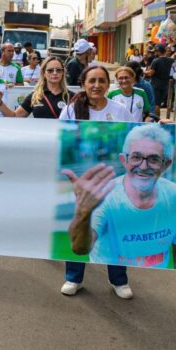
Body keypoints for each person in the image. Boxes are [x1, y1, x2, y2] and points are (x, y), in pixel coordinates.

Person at [64, 124, 176, 269]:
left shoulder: (175, 196)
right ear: (124, 160)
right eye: (136, 157)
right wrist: (83, 213)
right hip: (107, 281)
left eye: (154, 159)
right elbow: (80, 249)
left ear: (166, 164)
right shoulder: (105, 196)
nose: (144, 166)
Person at [58, 65, 134, 299]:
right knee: (82, 224)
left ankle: (118, 279)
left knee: (114, 228)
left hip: (114, 181)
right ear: (83, 84)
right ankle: (73, 277)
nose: (97, 85)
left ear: (108, 85)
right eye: (92, 81)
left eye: (102, 81)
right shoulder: (71, 110)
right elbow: (60, 137)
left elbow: (133, 138)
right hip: (82, 182)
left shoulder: (120, 111)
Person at [0, 56, 70, 118]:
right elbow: (15, 116)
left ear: (63, 72)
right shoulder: (35, 96)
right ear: (43, 73)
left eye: (58, 70)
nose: (55, 73)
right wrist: (0, 102)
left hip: (62, 133)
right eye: (50, 70)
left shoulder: (72, 97)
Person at [144, 44, 175, 118]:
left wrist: (143, 72)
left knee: (156, 104)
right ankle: (157, 118)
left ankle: (156, 119)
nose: (154, 53)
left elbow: (151, 73)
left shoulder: (156, 61)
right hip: (165, 85)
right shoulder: (170, 60)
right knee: (159, 104)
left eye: (155, 51)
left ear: (158, 51)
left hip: (156, 85)